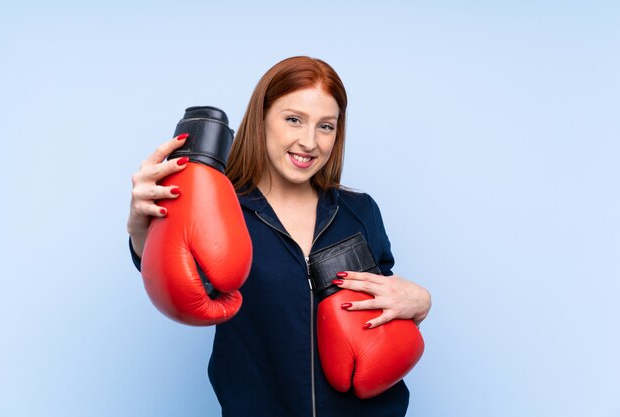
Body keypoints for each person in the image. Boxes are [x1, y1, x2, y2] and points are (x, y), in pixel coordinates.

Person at [127, 56, 431, 417]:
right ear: (262, 120)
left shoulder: (359, 211)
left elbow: (382, 311)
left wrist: (421, 303)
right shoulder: (221, 211)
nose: (309, 142)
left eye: (326, 127)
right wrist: (140, 227)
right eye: (293, 120)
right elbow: (168, 270)